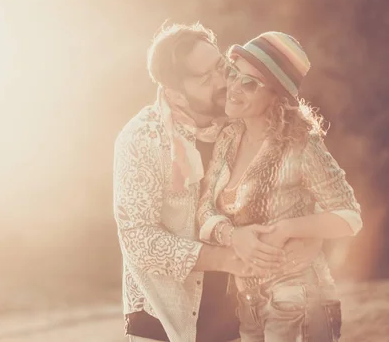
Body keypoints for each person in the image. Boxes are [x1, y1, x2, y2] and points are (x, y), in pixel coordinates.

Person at [113, 22, 322, 342]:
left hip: (235, 314)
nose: (223, 80)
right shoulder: (141, 139)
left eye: (221, 66)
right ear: (174, 91)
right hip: (164, 317)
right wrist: (229, 257)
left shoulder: (242, 120)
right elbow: (139, 239)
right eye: (205, 77)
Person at [197, 31, 363, 341]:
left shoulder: (301, 145)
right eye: (234, 73)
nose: (234, 87)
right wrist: (233, 236)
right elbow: (204, 208)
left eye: (250, 84)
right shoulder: (229, 138)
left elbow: (349, 217)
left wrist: (288, 228)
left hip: (300, 298)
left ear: (276, 95)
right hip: (247, 302)